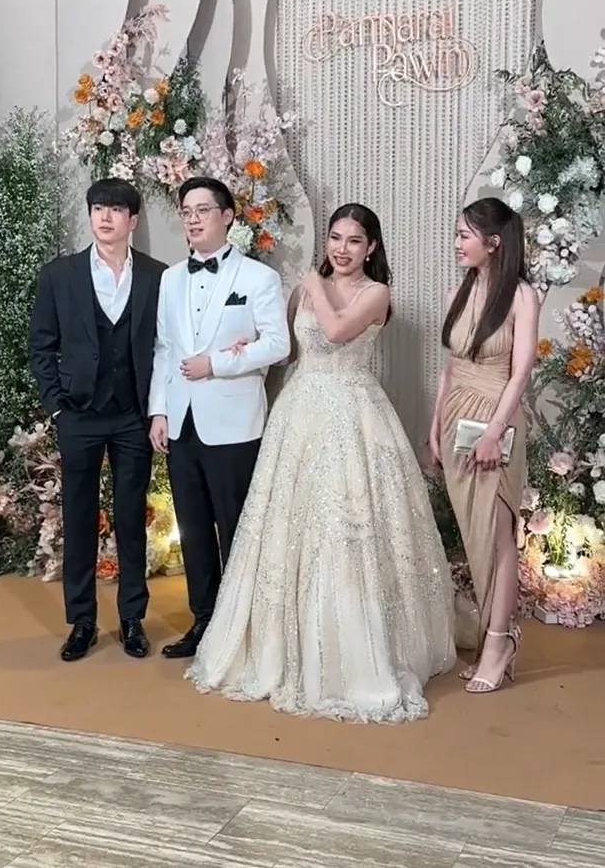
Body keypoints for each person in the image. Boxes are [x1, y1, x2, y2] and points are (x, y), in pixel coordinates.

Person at [186, 203, 456, 722]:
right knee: (290, 530)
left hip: (355, 415)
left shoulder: (376, 293)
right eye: (335, 237)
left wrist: (311, 281)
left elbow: (334, 332)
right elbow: (289, 352)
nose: (342, 248)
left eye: (354, 241)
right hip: (299, 414)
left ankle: (356, 651)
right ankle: (281, 643)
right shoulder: (303, 291)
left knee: (348, 527)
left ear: (371, 248)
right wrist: (247, 344)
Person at [149, 176, 290, 659]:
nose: (193, 219)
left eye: (202, 210)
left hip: (234, 424)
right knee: (192, 530)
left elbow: (278, 344)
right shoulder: (170, 279)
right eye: (186, 211)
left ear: (228, 216)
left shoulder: (258, 278)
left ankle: (244, 627)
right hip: (182, 422)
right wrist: (159, 410)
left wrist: (218, 363)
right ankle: (204, 621)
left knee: (236, 528)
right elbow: (164, 349)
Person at [29, 178, 166, 662]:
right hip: (79, 415)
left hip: (132, 416)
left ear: (133, 220)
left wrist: (156, 410)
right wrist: (57, 408)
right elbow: (41, 346)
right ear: (90, 216)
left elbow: (165, 347)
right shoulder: (59, 275)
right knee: (79, 517)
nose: (105, 217)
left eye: (115, 210)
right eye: (98, 209)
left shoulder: (157, 275)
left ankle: (132, 620)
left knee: (131, 519)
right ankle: (82, 622)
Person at [429, 197, 538, 694]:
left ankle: (498, 642)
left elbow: (521, 372)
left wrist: (494, 430)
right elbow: (450, 368)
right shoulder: (458, 291)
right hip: (457, 418)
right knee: (472, 531)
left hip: (497, 417)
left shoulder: (521, 296)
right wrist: (435, 426)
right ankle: (492, 637)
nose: (457, 243)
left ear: (493, 242)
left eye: (464, 235)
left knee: (497, 534)